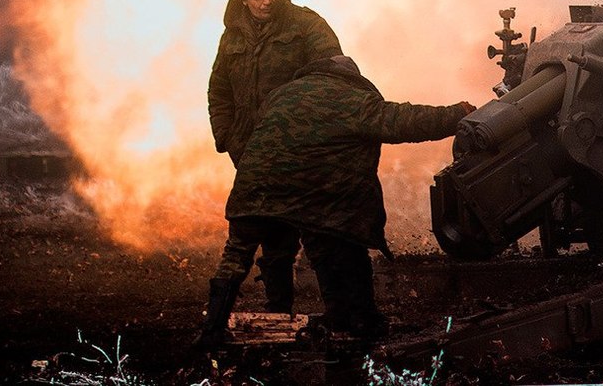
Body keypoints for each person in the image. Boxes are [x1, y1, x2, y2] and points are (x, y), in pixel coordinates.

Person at [200, 54, 474, 344]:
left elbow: (251, 133)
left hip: (252, 189)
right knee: (339, 245)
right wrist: (457, 113)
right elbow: (404, 120)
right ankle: (361, 320)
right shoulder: (351, 99)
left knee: (237, 254)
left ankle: (212, 329)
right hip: (313, 196)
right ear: (351, 78)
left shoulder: (280, 95)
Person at [205, 0, 342, 317]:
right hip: (252, 154)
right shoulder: (232, 37)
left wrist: (314, 137)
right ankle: (277, 313)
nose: (267, 1)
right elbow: (219, 89)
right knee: (268, 238)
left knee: (321, 239)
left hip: (303, 155)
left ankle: (343, 320)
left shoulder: (307, 26)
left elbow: (334, 79)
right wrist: (227, 136)